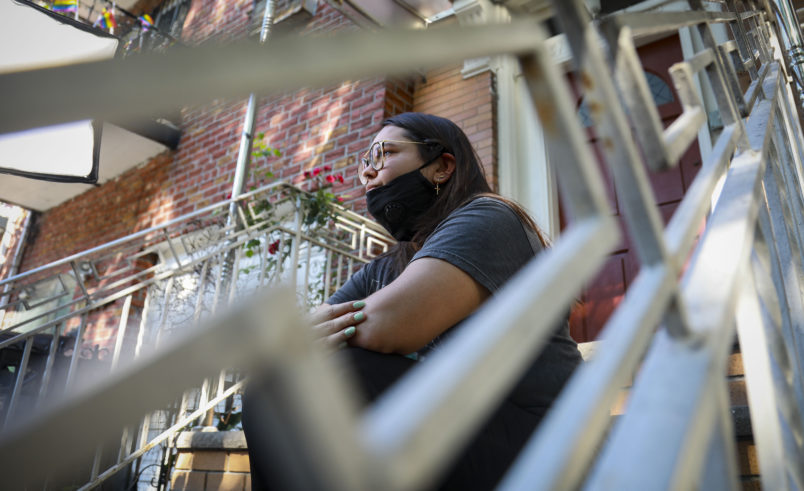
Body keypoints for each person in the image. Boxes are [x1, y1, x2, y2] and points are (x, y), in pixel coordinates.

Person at [243, 112, 582, 490]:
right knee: (272, 388)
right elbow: (301, 336)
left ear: (441, 167)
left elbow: (388, 325)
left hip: (543, 437)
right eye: (364, 164)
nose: (369, 173)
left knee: (346, 372)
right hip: (462, 424)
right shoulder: (385, 268)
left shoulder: (490, 217)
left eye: (383, 154)